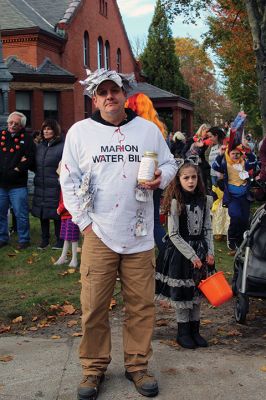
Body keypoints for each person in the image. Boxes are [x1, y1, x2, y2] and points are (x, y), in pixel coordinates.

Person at [60, 68, 177, 400]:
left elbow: (169, 163)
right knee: (94, 305)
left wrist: (161, 177)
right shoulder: (79, 133)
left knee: (141, 304)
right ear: (94, 98)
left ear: (125, 95)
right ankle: (93, 368)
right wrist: (84, 223)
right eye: (103, 92)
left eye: (115, 90)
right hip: (98, 231)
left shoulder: (147, 131)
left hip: (139, 231)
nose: (110, 96)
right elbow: (67, 179)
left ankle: (137, 365)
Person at [155, 157, 215, 349]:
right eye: (186, 178)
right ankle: (183, 332)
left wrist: (210, 252)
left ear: (198, 179)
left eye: (194, 177)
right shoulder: (175, 202)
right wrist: (192, 256)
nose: (190, 181)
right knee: (183, 294)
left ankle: (195, 331)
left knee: (198, 292)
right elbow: (173, 234)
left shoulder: (205, 201)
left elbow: (207, 229)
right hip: (181, 254)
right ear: (178, 180)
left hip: (201, 251)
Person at [125, 92, 167, 252]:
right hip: (153, 180)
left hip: (141, 180)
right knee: (152, 219)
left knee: (144, 218)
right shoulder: (158, 129)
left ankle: (165, 254)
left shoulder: (140, 131)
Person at [212, 142, 256, 254]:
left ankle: (241, 240)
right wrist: (221, 154)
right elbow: (215, 166)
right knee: (235, 217)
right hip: (232, 197)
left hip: (245, 197)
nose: (236, 155)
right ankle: (231, 239)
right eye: (233, 153)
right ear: (229, 153)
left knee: (244, 219)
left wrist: (249, 151)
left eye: (238, 153)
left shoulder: (244, 163)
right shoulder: (225, 164)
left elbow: (254, 162)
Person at [0, 111, 35, 249]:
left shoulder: (27, 139)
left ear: (21, 126)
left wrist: (17, 170)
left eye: (16, 124)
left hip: (18, 184)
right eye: (11, 122)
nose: (13, 125)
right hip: (1, 184)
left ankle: (24, 239)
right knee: (1, 213)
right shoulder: (1, 136)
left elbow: (29, 158)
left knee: (21, 213)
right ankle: (2, 238)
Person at [31, 119, 64, 250]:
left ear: (55, 130)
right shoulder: (40, 147)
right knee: (42, 213)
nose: (46, 131)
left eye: (49, 129)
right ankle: (44, 240)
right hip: (41, 184)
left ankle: (60, 240)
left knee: (56, 213)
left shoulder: (63, 146)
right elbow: (35, 165)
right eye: (44, 129)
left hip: (55, 185)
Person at [54, 163, 79, 268]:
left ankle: (74, 259)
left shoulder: (70, 184)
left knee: (73, 237)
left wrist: (60, 208)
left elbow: (70, 198)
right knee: (66, 237)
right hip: (65, 215)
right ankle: (63, 257)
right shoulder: (64, 183)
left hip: (71, 214)